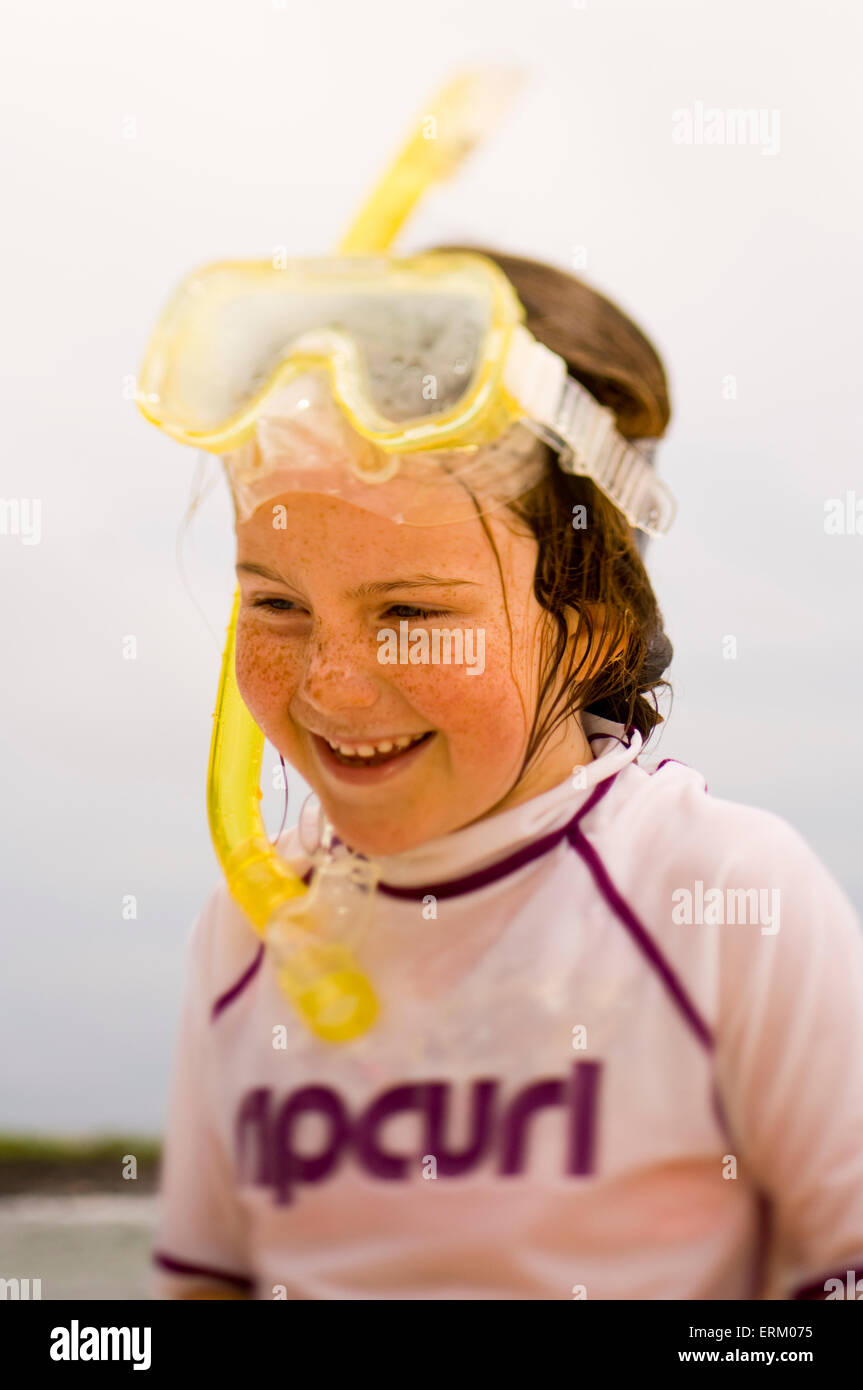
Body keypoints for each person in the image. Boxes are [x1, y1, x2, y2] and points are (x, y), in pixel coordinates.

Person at [146, 244, 863, 1301]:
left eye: (412, 613)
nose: (332, 688)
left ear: (597, 619)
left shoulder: (716, 894)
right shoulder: (257, 926)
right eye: (276, 605)